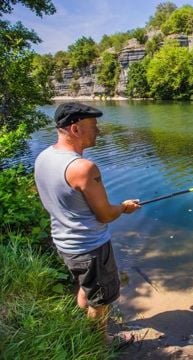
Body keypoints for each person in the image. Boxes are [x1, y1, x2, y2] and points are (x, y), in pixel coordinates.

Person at [34, 102, 141, 346]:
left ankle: (82, 323)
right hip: (90, 247)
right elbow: (105, 215)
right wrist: (124, 207)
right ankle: (99, 342)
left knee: (87, 286)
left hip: (64, 243)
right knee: (101, 299)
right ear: (75, 129)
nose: (99, 131)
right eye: (94, 126)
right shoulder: (83, 168)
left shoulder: (44, 157)